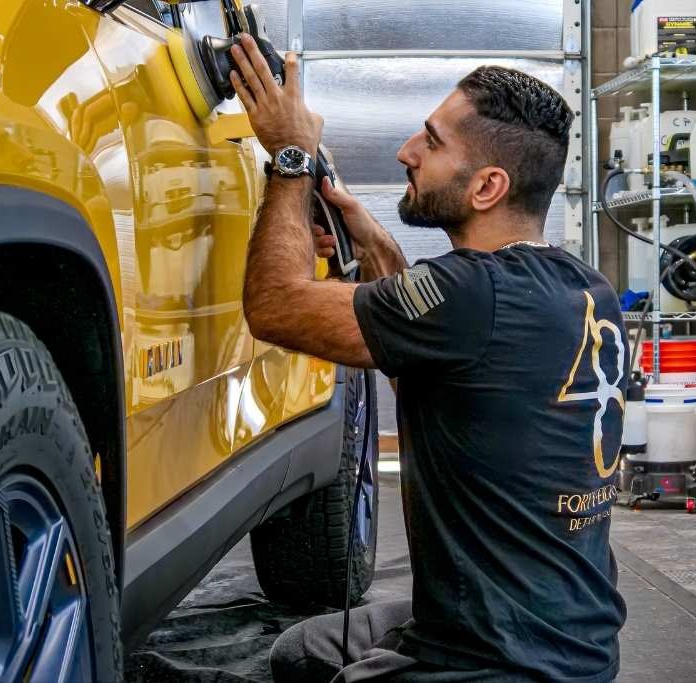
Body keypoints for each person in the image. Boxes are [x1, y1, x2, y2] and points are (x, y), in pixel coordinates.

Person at [229, 33, 628, 683]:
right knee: (309, 643)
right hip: (574, 646)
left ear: (488, 186)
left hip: (487, 665)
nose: (406, 152)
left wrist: (290, 155)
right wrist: (373, 235)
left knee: (304, 657)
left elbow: (275, 305)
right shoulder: (583, 290)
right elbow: (442, 346)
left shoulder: (465, 296)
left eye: (433, 142)